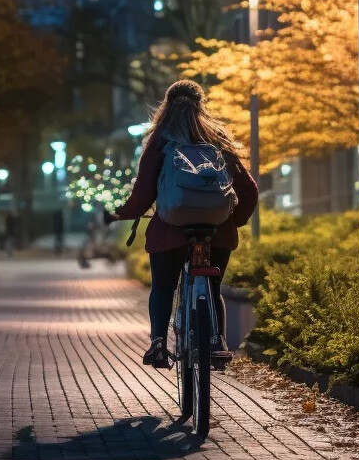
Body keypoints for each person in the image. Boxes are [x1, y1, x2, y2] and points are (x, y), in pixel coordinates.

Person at [107, 80, 258, 368]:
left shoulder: (161, 140)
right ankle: (217, 342)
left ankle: (159, 344)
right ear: (202, 104)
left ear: (166, 106)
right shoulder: (218, 138)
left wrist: (122, 213)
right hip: (217, 230)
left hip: (170, 230)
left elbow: (142, 194)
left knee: (163, 287)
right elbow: (248, 190)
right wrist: (231, 221)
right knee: (212, 285)